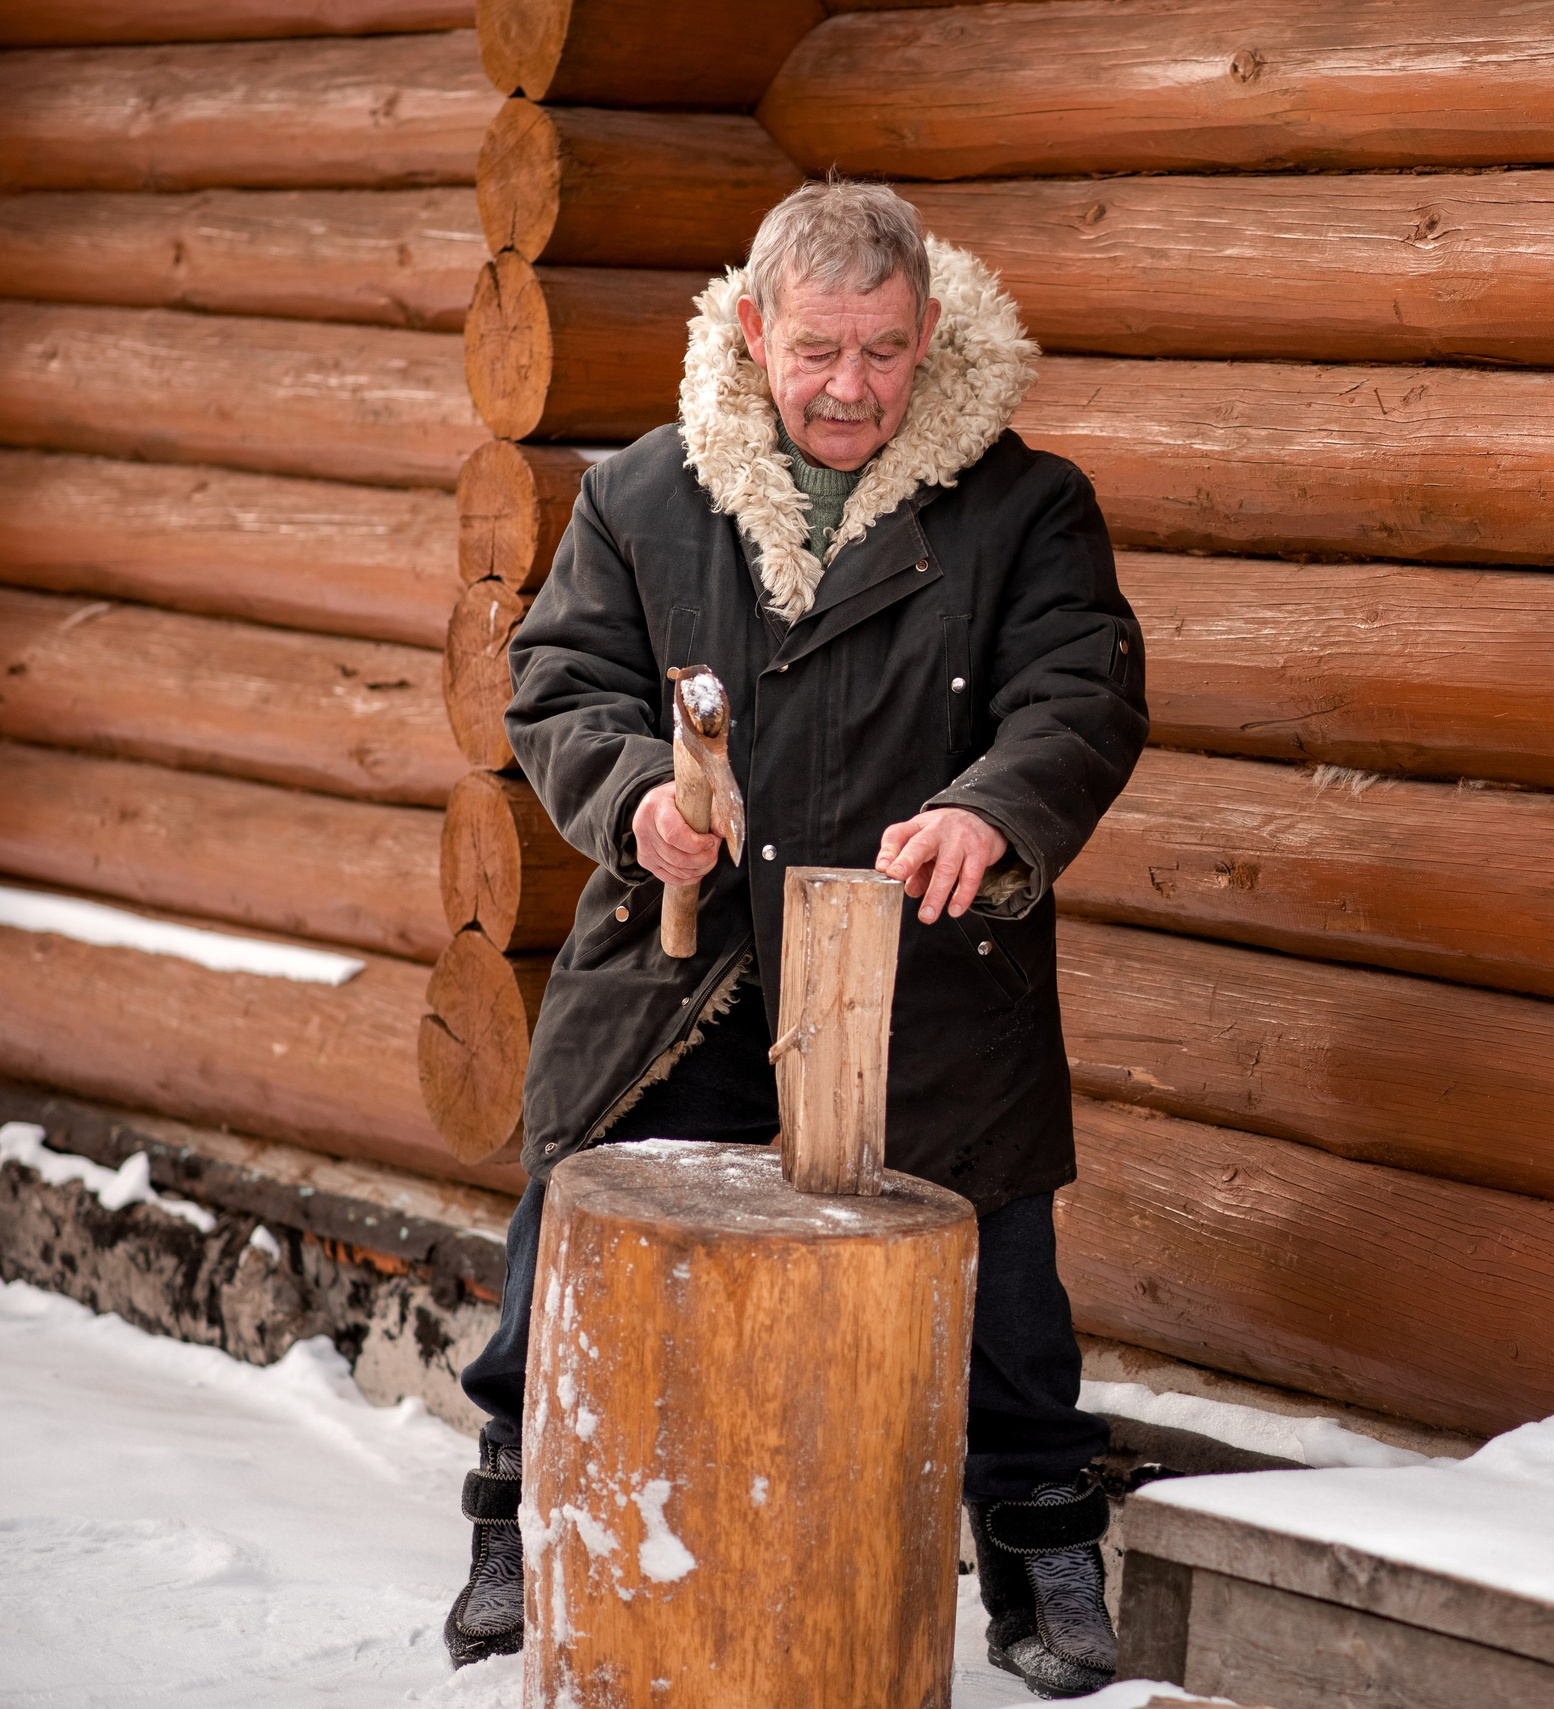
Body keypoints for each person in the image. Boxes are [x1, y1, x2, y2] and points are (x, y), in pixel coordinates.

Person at [442, 181, 1148, 1696]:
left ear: (930, 331)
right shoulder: (642, 495)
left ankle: (1039, 1548)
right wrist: (638, 796)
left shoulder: (1027, 507)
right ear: (755, 330)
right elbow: (561, 688)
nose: (849, 387)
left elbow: (1079, 695)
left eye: (883, 351)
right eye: (818, 350)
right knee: (573, 1243)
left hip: (924, 963)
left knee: (1000, 1290)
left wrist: (991, 812)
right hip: (684, 966)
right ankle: (521, 1519)